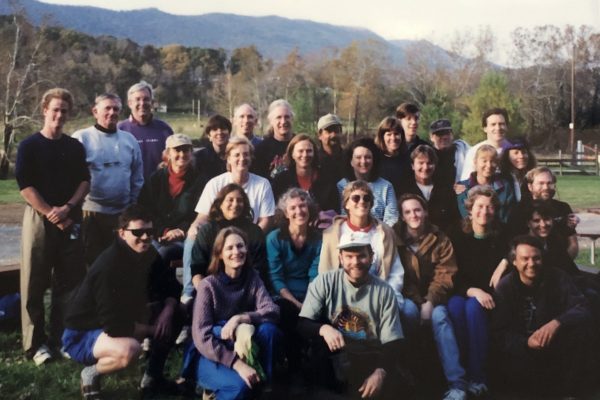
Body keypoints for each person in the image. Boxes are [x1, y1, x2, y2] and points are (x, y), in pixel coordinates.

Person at [62, 205, 184, 398]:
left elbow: (172, 286)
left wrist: (168, 311)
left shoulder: (148, 252)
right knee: (130, 350)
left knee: (178, 311)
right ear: (122, 233)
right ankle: (91, 372)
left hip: (122, 318)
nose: (145, 237)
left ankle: (152, 377)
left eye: (150, 232)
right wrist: (153, 330)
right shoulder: (109, 266)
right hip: (84, 332)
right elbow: (114, 326)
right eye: (138, 232)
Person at [16, 88, 89, 364]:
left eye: (64, 111)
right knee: (34, 281)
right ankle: (35, 345)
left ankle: (63, 340)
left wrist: (68, 207)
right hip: (39, 218)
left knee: (69, 283)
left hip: (70, 217)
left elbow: (85, 180)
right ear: (44, 110)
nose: (59, 115)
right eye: (55, 109)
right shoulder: (29, 145)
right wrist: (49, 212)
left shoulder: (74, 147)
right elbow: (25, 185)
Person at [297, 231, 405, 399]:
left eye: (361, 256)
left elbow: (393, 342)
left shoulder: (384, 291)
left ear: (371, 256)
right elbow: (303, 324)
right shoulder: (324, 282)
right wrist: (324, 328)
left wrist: (380, 373)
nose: (355, 262)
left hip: (370, 356)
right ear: (340, 258)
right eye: (349, 256)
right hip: (335, 357)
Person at [491, 235, 596, 397]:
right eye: (525, 259)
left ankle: (573, 393)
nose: (531, 264)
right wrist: (526, 343)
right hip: (523, 352)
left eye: (536, 258)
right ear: (514, 261)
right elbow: (500, 333)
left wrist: (556, 323)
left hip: (556, 347)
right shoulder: (505, 287)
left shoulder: (557, 277)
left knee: (582, 329)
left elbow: (582, 307)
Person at [192, 227, 281, 400]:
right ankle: (211, 390)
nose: (236, 252)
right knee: (239, 387)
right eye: (229, 248)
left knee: (269, 330)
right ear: (219, 254)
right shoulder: (208, 286)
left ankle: (264, 385)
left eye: (240, 246)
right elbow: (202, 337)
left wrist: (240, 318)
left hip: (245, 346)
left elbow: (272, 310)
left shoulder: (252, 278)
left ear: (246, 250)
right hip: (213, 353)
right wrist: (237, 364)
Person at [393, 194, 466, 400]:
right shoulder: (394, 238)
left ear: (425, 211)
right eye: (407, 212)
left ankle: (457, 383)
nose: (413, 215)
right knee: (406, 312)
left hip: (436, 297)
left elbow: (445, 274)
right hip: (408, 296)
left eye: (417, 210)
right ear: (402, 216)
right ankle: (409, 374)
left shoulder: (440, 239)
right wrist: (419, 302)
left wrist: (430, 302)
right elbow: (398, 275)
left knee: (440, 318)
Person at [447, 186, 509, 397]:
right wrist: (472, 290)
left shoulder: (502, 234)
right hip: (464, 290)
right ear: (470, 209)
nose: (485, 211)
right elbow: (451, 273)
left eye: (490, 207)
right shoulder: (457, 234)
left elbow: (517, 245)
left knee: (474, 308)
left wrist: (504, 261)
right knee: (455, 307)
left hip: (491, 295)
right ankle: (460, 375)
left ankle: (478, 376)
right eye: (480, 206)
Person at [72, 93, 144, 266]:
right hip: (91, 213)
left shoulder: (129, 140)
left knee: (120, 263)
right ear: (95, 111)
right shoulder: (81, 138)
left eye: (116, 109)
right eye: (107, 108)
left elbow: (137, 177)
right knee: (93, 264)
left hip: (121, 213)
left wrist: (131, 207)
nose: (112, 112)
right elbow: (72, 177)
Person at [320, 180, 404, 308]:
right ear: (346, 204)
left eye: (367, 198)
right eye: (355, 198)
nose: (362, 201)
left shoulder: (385, 232)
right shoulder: (332, 234)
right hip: (343, 296)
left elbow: (395, 272)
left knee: (410, 311)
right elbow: (325, 271)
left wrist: (386, 296)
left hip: (381, 292)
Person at [266, 188, 322, 375]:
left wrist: (309, 301)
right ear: (286, 213)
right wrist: (296, 303)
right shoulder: (274, 238)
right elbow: (276, 277)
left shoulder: (318, 238)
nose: (299, 211)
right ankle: (294, 366)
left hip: (310, 294)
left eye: (303, 205)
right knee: (287, 312)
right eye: (293, 208)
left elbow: (315, 275)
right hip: (283, 295)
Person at [137, 134, 206, 268]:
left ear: (191, 153)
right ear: (168, 153)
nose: (182, 154)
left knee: (162, 254)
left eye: (186, 150)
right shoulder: (155, 179)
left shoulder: (200, 181)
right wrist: (165, 231)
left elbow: (201, 214)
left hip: (186, 237)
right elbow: (145, 210)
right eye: (177, 150)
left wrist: (181, 230)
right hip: (157, 234)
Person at [189, 136, 275, 233]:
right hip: (218, 238)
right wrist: (196, 226)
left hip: (250, 239)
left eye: (246, 154)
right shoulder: (215, 183)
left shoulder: (262, 184)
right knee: (191, 237)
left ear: (251, 157)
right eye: (237, 155)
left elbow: (266, 220)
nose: (242, 158)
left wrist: (251, 239)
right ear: (228, 158)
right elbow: (203, 216)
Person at [507, 167, 579, 259]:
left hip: (561, 262)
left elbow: (573, 243)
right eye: (541, 183)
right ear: (530, 187)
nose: (546, 188)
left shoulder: (563, 207)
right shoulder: (520, 210)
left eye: (549, 183)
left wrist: (564, 263)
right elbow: (512, 247)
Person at [271, 134, 340, 217]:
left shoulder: (327, 179)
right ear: (292, 154)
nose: (305, 155)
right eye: (300, 151)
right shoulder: (281, 180)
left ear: (314, 153)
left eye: (309, 151)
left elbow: (335, 211)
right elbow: (277, 210)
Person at [337, 138, 399, 226]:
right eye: (358, 157)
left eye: (368, 157)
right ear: (351, 161)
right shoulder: (341, 185)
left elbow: (392, 218)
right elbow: (343, 216)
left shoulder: (386, 186)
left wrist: (379, 234)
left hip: (381, 235)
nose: (363, 161)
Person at [118, 81, 173, 179]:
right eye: (137, 99)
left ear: (152, 103)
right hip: (129, 190)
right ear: (130, 103)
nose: (142, 103)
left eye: (146, 99)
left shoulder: (164, 129)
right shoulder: (120, 130)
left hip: (159, 189)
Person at [400, 145, 461, 233]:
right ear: (413, 166)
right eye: (421, 163)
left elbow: (454, 220)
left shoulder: (446, 190)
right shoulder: (404, 190)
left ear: (435, 165)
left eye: (429, 163)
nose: (425, 167)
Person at [456, 145, 515, 223]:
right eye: (484, 161)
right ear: (475, 162)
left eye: (493, 161)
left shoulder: (505, 186)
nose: (489, 165)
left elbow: (507, 216)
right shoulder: (462, 187)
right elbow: (465, 216)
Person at [460, 108, 512, 180]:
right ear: (485, 128)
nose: (498, 128)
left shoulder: (514, 151)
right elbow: (466, 182)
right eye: (493, 124)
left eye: (501, 124)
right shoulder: (474, 152)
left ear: (507, 126)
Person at [252, 99, 294, 179]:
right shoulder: (262, 149)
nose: (283, 121)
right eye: (279, 117)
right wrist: (281, 167)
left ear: (292, 118)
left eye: (287, 117)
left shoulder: (300, 144)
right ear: (271, 121)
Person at [374, 116, 410, 196]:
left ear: (402, 136)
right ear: (382, 137)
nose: (393, 138)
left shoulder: (408, 158)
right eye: (389, 134)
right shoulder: (375, 159)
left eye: (396, 134)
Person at [428, 119, 470, 186]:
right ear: (431, 137)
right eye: (440, 134)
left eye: (447, 133)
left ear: (452, 135)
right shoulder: (427, 156)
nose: (444, 137)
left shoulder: (463, 151)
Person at [194, 114, 231, 180]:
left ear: (229, 133)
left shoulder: (237, 155)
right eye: (215, 129)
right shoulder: (199, 158)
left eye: (223, 128)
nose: (219, 132)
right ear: (209, 136)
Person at [499, 137, 537, 202]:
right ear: (507, 157)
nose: (521, 156)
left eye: (524, 152)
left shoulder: (535, 177)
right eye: (516, 153)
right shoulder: (501, 179)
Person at [316, 113, 344, 182]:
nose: (333, 135)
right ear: (319, 135)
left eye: (337, 131)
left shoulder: (349, 158)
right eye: (329, 131)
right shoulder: (314, 161)